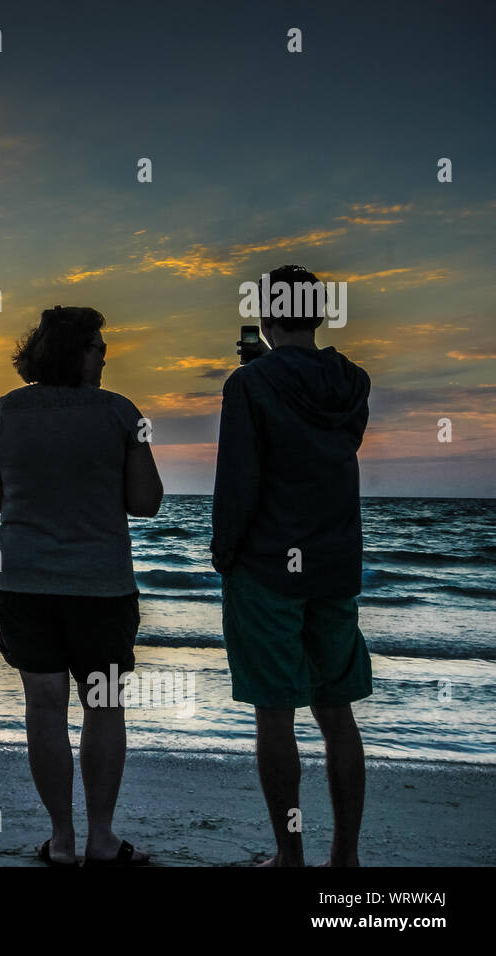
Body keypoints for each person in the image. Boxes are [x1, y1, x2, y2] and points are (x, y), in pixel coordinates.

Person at [0, 306, 162, 867]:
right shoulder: (119, 414)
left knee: (44, 706)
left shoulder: (6, 411)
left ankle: (61, 839)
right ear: (74, 352)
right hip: (100, 585)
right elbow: (147, 501)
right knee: (102, 704)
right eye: (96, 346)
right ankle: (102, 838)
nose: (105, 354)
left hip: (23, 580)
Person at [211, 265, 372, 867]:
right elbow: (320, 443)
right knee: (337, 712)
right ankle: (346, 857)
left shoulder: (248, 385)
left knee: (275, 713)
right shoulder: (353, 382)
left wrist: (224, 549)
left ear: (268, 314)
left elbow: (240, 480)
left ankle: (289, 854)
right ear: (320, 314)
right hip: (334, 560)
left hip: (267, 564)